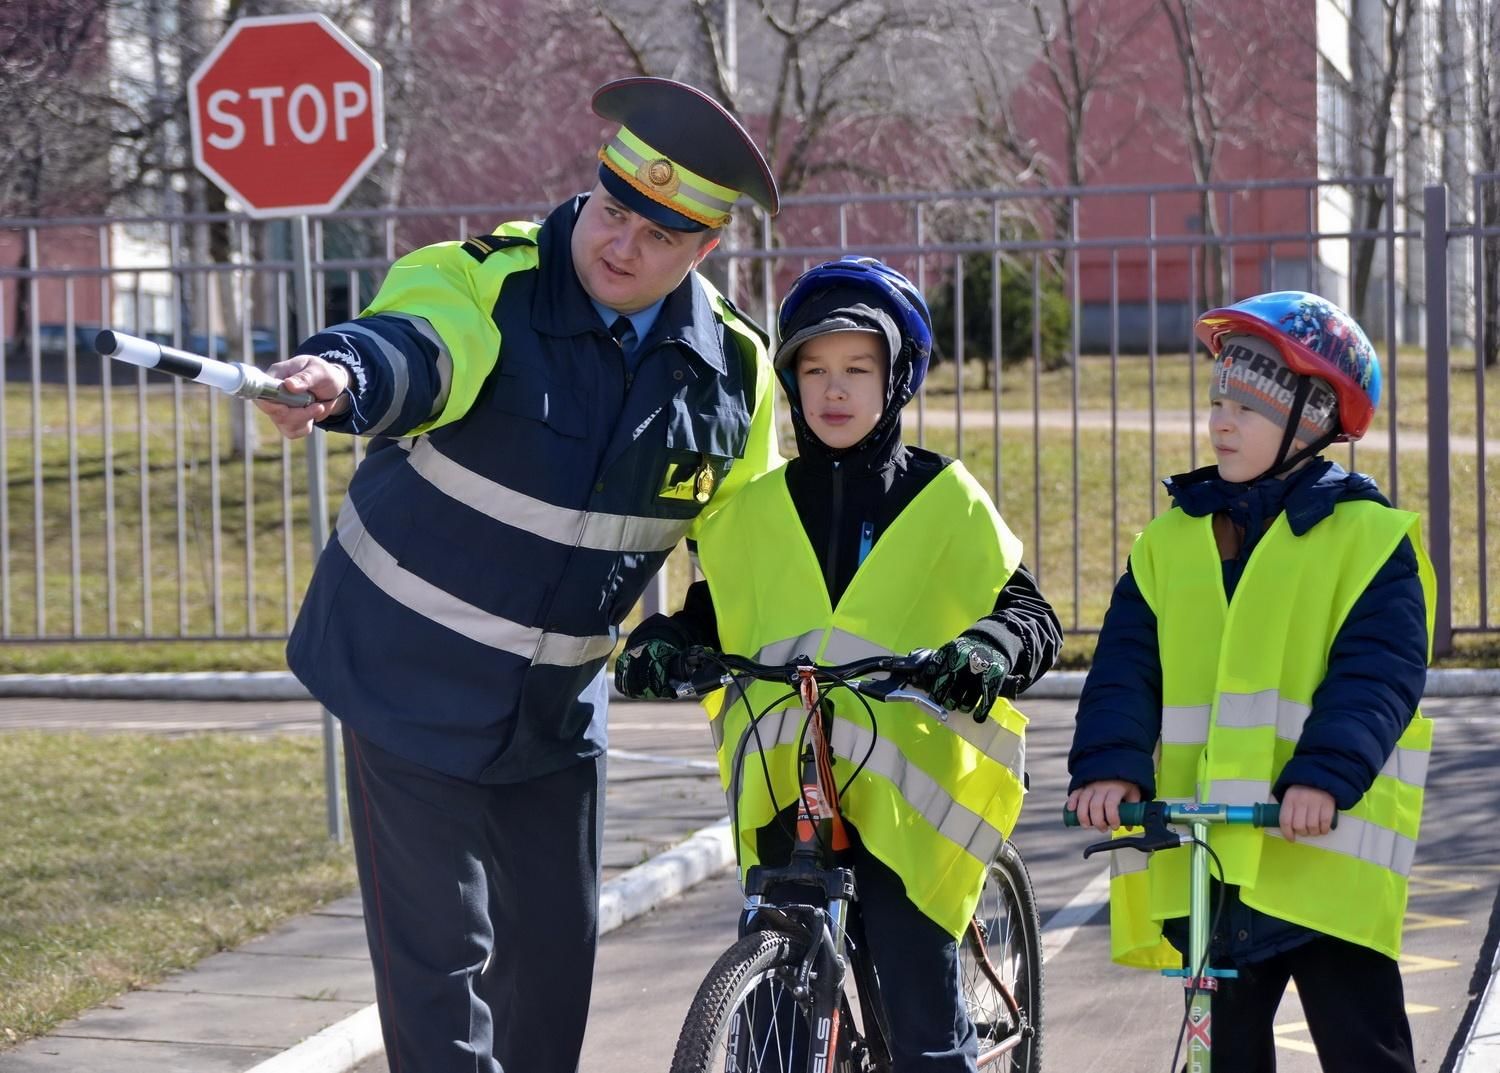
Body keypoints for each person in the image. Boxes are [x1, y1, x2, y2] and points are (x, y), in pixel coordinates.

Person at [254, 77, 783, 1073]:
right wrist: (341, 378)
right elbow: (415, 347)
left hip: (554, 712)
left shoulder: (737, 378)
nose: (620, 247)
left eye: (658, 236)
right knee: (441, 975)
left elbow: (752, 551)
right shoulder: (483, 277)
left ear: (706, 250)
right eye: (613, 211)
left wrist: (707, 633)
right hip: (403, 677)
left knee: (549, 982)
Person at [616, 256, 1062, 1072]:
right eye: (814, 369)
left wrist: (985, 651)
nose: (834, 389)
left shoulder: (945, 500)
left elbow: (1030, 615)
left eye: (859, 368)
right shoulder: (752, 511)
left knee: (923, 1028)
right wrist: (668, 641)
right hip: (788, 794)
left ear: (896, 380)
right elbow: (719, 613)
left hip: (905, 816)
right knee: (770, 1036)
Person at [1066, 291, 1434, 1073]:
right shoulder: (1173, 540)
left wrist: (1325, 776)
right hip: (1216, 864)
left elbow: (1378, 672)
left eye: (1247, 406)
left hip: (1320, 856)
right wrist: (1109, 761)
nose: (1221, 421)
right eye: (1217, 401)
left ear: (1311, 420)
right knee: (1222, 1055)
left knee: (1363, 1046)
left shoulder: (1369, 540)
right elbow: (1127, 664)